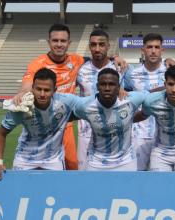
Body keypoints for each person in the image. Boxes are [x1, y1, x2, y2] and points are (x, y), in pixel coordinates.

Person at [11, 24, 125, 170]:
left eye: (63, 41)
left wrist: (115, 57)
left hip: (66, 122)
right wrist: (23, 92)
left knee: (72, 165)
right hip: (44, 121)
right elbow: (27, 85)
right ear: (49, 42)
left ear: (69, 43)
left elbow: (99, 56)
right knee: (40, 164)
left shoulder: (76, 61)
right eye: (55, 40)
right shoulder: (36, 64)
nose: (59, 44)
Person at [0, 68, 79, 180]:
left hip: (53, 160)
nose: (42, 94)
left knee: (54, 193)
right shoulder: (21, 106)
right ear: (32, 88)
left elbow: (87, 108)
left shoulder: (65, 102)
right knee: (20, 193)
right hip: (24, 159)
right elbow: (1, 133)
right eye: (38, 89)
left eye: (46, 90)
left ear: (54, 90)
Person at [73, 68, 145, 171]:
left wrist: (143, 114)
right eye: (103, 84)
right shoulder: (85, 106)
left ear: (118, 87)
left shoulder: (131, 100)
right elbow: (69, 115)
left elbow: (150, 97)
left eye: (111, 84)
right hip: (96, 163)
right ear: (97, 86)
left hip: (126, 162)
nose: (107, 88)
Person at [76, 29, 126, 170]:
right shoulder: (80, 70)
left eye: (101, 44)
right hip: (86, 132)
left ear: (108, 46)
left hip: (115, 131)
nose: (97, 48)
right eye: (93, 45)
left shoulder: (121, 68)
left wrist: (166, 61)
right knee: (85, 178)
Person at [124, 33, 168, 171]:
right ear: (143, 50)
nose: (153, 51)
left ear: (162, 50)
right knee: (136, 175)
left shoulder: (170, 72)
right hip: (138, 134)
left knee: (161, 180)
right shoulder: (132, 74)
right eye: (149, 47)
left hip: (164, 135)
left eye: (157, 47)